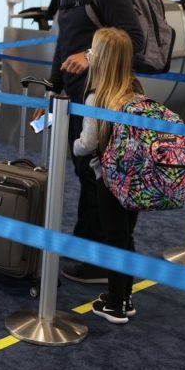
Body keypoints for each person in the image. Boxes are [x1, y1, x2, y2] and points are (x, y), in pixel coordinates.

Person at [43, 0, 144, 284]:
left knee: (104, 180)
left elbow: (134, 39)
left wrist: (90, 56)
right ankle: (87, 250)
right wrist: (52, 90)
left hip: (106, 99)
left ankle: (104, 261)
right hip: (76, 99)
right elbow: (63, 45)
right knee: (86, 174)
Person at [72, 27, 143, 324]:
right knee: (125, 236)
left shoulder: (96, 97)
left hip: (109, 177)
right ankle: (124, 295)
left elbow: (87, 143)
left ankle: (116, 303)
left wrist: (73, 146)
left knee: (114, 238)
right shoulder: (136, 88)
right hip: (137, 175)